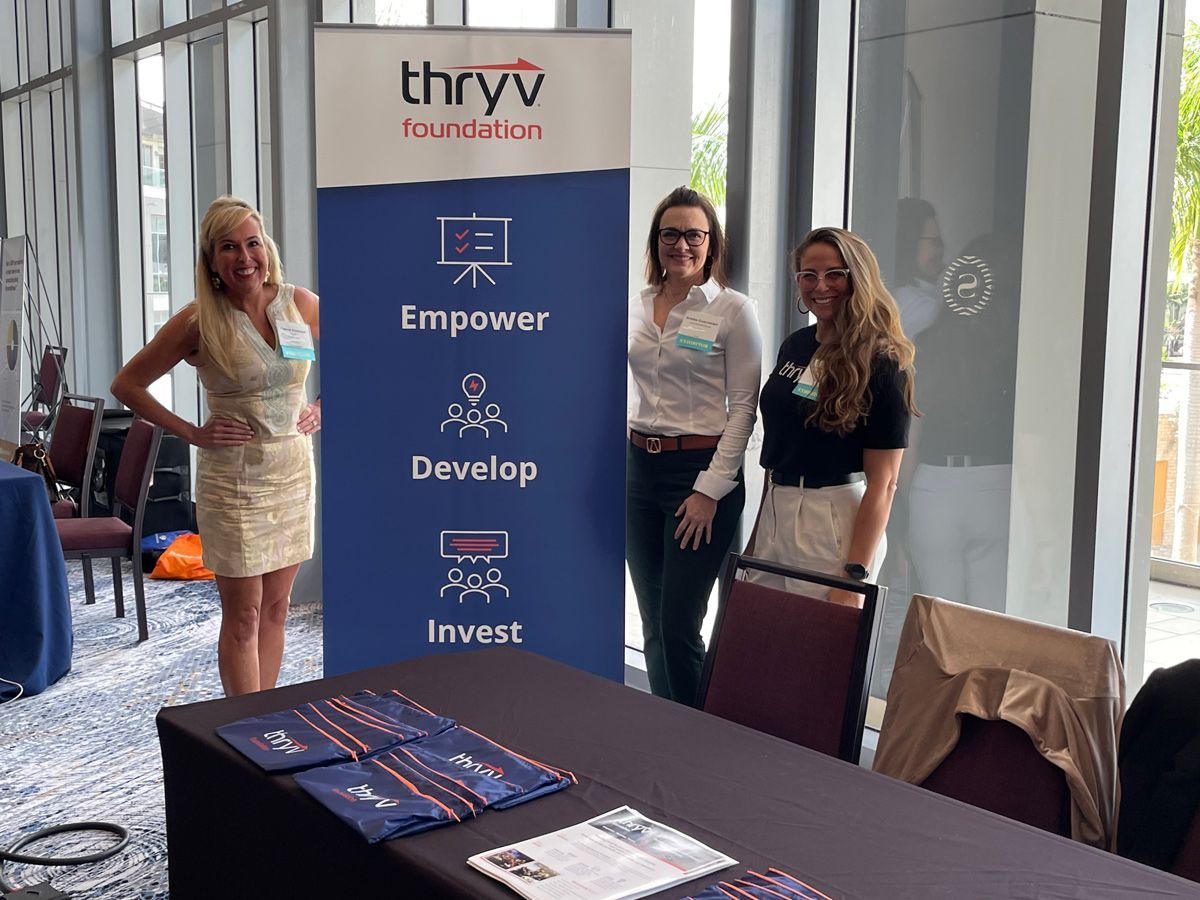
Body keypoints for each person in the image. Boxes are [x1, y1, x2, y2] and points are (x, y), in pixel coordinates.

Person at [111, 195, 320, 696]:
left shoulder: (301, 303)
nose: (244, 257)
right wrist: (191, 432)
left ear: (265, 247)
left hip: (291, 472)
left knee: (276, 608)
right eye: (229, 247)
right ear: (212, 260)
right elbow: (128, 384)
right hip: (235, 481)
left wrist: (322, 405)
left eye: (252, 243)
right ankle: (244, 733)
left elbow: (362, 354)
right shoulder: (198, 320)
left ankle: (264, 721)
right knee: (244, 614)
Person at [626, 186, 762, 706]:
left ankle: (694, 739)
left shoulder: (732, 310)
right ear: (655, 241)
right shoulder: (636, 307)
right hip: (640, 471)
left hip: (701, 475)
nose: (680, 245)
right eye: (670, 234)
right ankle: (668, 727)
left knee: (680, 622)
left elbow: (744, 409)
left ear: (711, 243)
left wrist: (710, 490)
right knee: (653, 621)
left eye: (693, 235)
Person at [749, 227, 916, 606]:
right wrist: (757, 538)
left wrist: (854, 574)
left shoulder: (883, 362)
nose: (820, 285)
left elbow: (885, 483)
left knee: (819, 653)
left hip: (833, 519)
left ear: (857, 278)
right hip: (777, 507)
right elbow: (778, 451)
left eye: (834, 274)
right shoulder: (795, 345)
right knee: (761, 644)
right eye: (808, 275)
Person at [891, 197, 944, 340]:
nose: (941, 250)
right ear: (910, 243)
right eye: (935, 242)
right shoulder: (925, 309)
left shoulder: (888, 295)